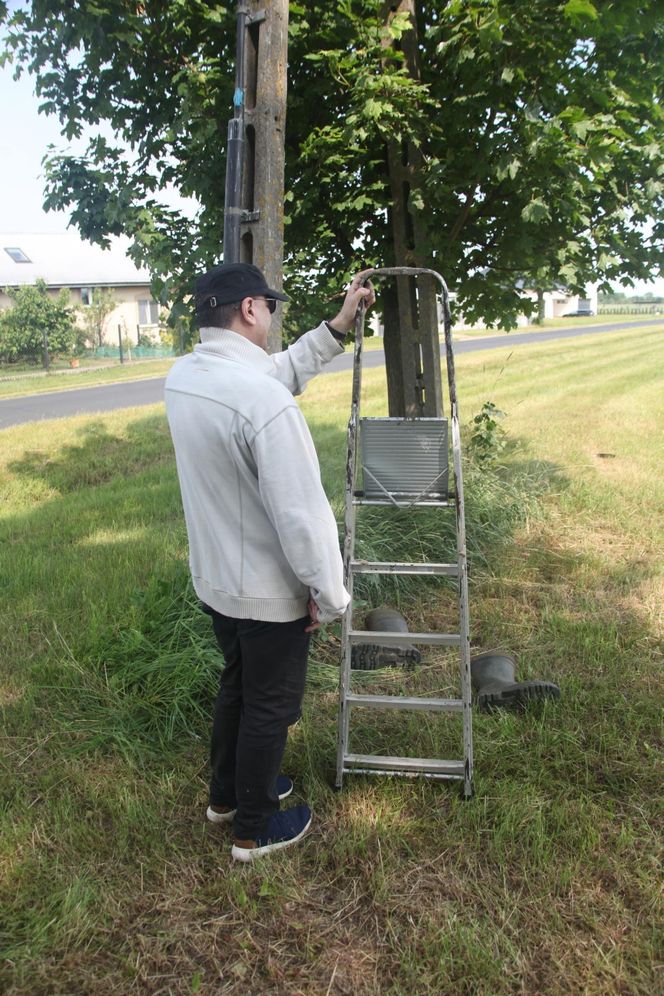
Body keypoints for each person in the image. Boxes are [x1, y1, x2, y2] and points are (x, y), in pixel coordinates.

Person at [165, 262, 375, 862]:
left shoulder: (187, 377)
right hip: (265, 590)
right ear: (251, 309)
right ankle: (254, 829)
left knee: (238, 686)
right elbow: (302, 516)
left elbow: (276, 374)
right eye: (271, 307)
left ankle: (227, 795)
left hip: (217, 582)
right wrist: (330, 594)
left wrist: (337, 325)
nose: (272, 319)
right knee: (269, 707)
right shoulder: (262, 403)